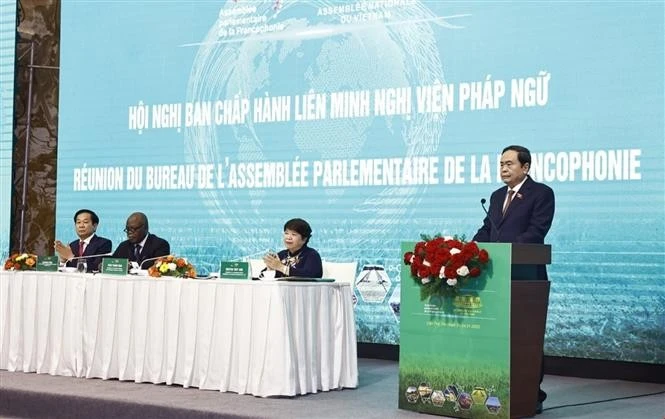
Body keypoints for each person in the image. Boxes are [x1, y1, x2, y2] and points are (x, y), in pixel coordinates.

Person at [473, 145, 555, 414]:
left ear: (526, 167)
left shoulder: (541, 194)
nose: (504, 168)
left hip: (525, 277)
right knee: (497, 335)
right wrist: (471, 248)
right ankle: (497, 388)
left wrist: (504, 251)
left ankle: (532, 394)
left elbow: (536, 232)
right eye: (501, 164)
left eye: (509, 164)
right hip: (496, 277)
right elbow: (488, 230)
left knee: (525, 336)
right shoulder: (496, 196)